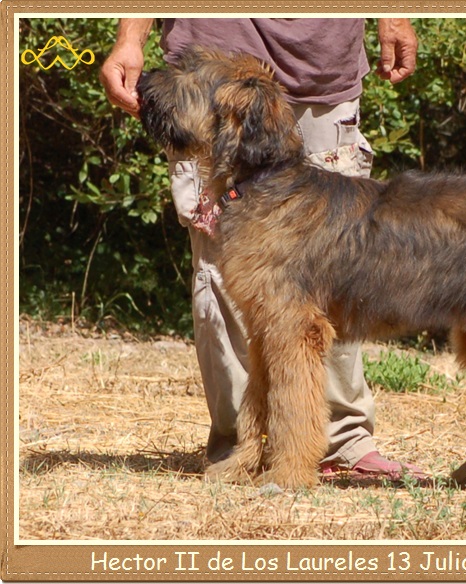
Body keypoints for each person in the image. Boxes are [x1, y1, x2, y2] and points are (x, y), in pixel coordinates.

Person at [100, 18, 421, 478]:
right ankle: (247, 448)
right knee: (230, 285)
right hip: (211, 79)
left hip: (321, 72)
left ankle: (340, 442)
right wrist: (130, 37)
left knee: (333, 288)